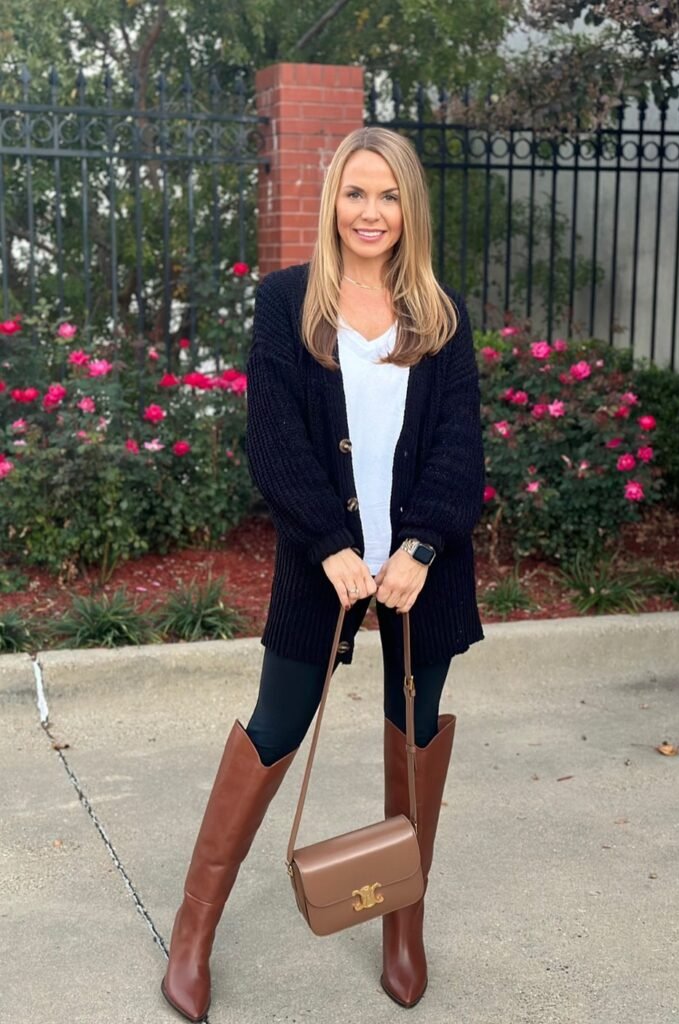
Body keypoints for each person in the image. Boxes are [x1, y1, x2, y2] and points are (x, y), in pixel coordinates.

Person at [161, 126, 486, 1022]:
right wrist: (330, 546)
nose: (370, 212)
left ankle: (401, 926)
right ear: (333, 201)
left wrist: (421, 546)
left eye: (388, 196)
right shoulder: (288, 302)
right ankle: (194, 929)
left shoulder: (441, 313)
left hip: (426, 573)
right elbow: (274, 440)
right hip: (323, 568)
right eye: (355, 193)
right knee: (274, 726)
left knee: (414, 742)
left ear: (408, 207)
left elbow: (460, 445)